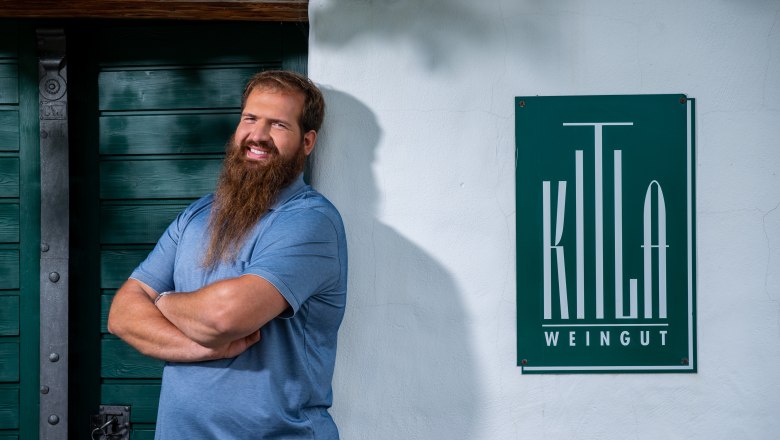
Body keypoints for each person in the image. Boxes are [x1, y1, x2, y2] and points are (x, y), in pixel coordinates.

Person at [107, 70, 348, 439]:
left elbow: (225, 318)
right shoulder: (196, 216)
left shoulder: (311, 221)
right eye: (250, 119)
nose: (258, 135)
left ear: (307, 142)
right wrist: (203, 350)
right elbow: (122, 314)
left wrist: (164, 301)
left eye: (278, 124)